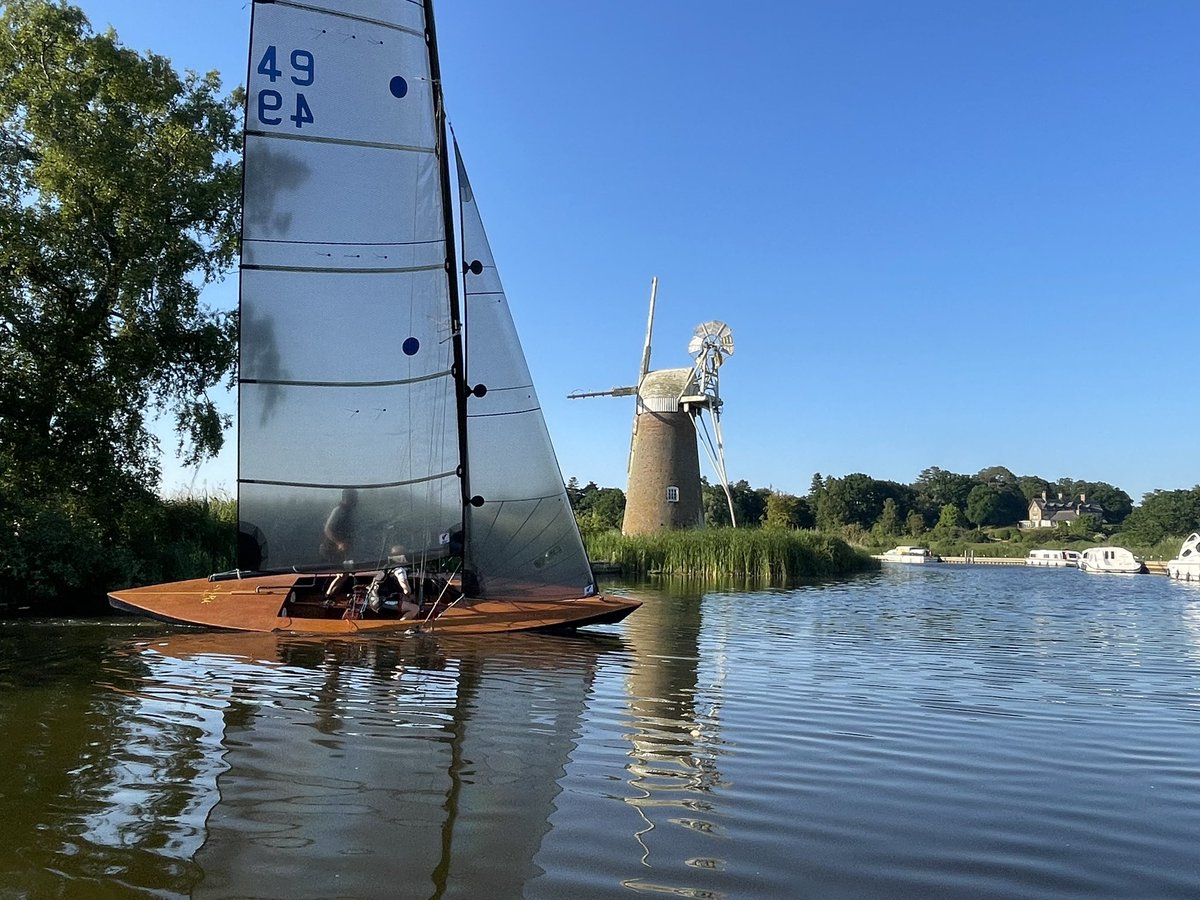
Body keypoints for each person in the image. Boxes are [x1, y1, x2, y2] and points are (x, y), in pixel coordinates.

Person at [320, 488, 358, 563]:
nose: (357, 500)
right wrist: (339, 543)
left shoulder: (350, 512)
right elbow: (327, 529)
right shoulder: (338, 511)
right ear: (347, 499)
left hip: (344, 551)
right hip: (331, 551)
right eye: (354, 498)